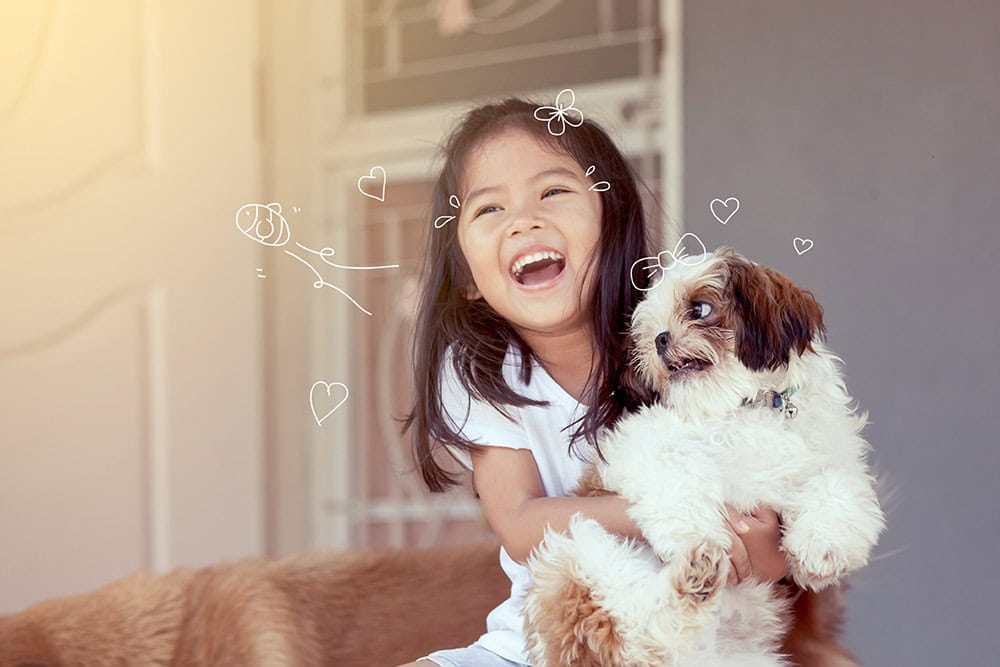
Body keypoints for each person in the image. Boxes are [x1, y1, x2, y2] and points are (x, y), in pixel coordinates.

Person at [396, 98, 789, 667]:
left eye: (553, 192)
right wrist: (670, 514)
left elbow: (774, 548)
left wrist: (753, 542)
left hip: (687, 645)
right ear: (468, 280)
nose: (523, 220)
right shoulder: (480, 368)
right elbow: (521, 524)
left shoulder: (682, 344)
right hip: (545, 646)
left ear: (615, 223)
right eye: (488, 209)